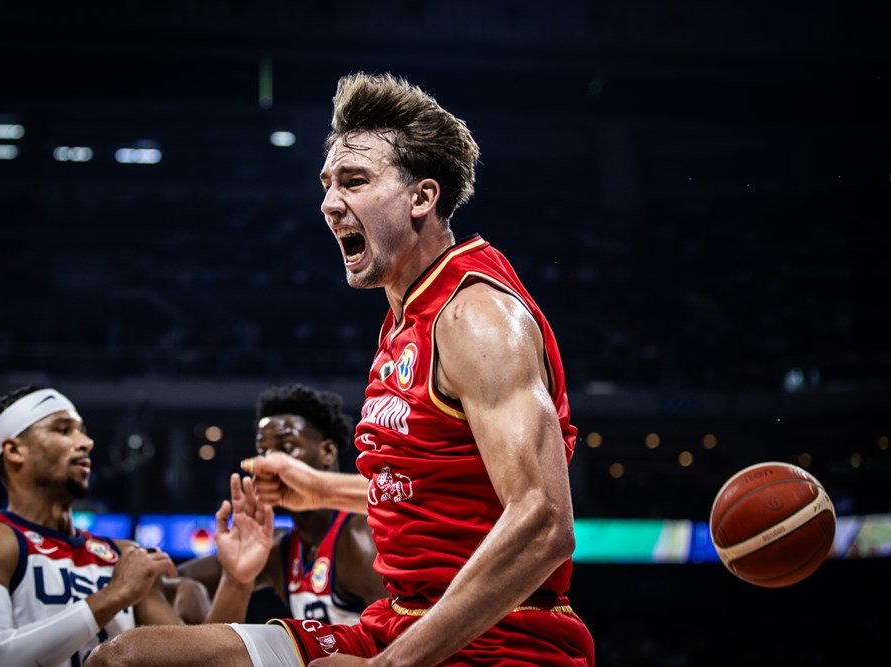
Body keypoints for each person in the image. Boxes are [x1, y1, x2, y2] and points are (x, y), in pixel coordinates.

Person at [86, 72, 594, 666]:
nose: (329, 203)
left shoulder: (476, 317)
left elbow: (544, 520)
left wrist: (391, 666)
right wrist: (322, 489)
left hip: (504, 638)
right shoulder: (406, 314)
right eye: (326, 184)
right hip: (396, 620)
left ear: (422, 197)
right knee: (126, 658)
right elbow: (440, 484)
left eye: (354, 181)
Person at [0, 385, 186, 667]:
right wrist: (114, 595)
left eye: (82, 430)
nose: (86, 442)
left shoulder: (123, 554)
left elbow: (190, 660)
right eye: (63, 430)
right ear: (14, 450)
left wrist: (235, 581)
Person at [170, 383, 386, 625]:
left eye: (286, 448)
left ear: (327, 451)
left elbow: (403, 639)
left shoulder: (361, 535)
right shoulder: (281, 550)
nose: (270, 462)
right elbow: (171, 580)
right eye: (263, 451)